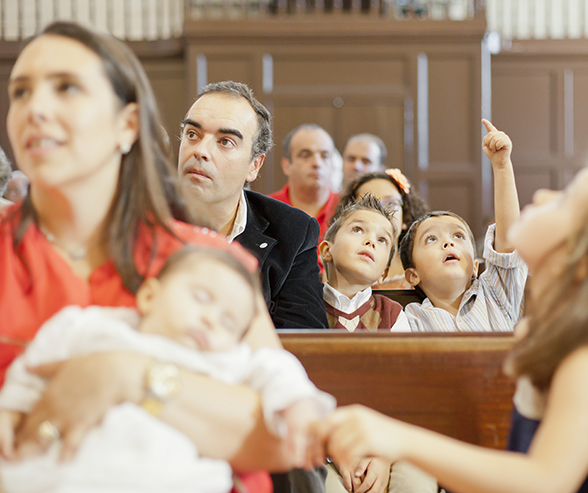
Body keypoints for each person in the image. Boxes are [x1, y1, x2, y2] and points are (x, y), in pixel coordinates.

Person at [0, 22, 321, 493]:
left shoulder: (205, 262)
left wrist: (131, 374)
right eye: (20, 92)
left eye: (66, 88)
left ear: (127, 124)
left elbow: (281, 444)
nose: (37, 109)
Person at [319, 148, 588, 493]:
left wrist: (399, 439)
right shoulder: (551, 333)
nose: (545, 195)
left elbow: (543, 480)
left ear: (583, 255)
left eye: (567, 200)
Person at [0, 248, 334, 492]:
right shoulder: (96, 328)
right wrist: (9, 411)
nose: (210, 319)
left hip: (172, 480)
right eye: (201, 298)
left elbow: (276, 369)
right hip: (62, 476)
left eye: (228, 321)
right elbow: (34, 370)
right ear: (149, 296)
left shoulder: (222, 359)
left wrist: (298, 406)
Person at [178, 81, 326, 330]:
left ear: (254, 166)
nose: (201, 151)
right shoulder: (137, 216)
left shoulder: (292, 232)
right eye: (193, 134)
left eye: (225, 141)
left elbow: (305, 341)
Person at [393, 120, 526, 332]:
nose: (448, 242)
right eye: (431, 239)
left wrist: (502, 166)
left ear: (475, 266)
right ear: (413, 275)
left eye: (458, 236)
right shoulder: (411, 320)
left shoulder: (495, 295)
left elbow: (509, 241)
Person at [319, 197, 406, 331]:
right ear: (327, 250)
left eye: (382, 240)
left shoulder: (392, 315)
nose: (371, 241)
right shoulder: (307, 305)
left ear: (384, 272)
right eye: (358, 230)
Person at [338, 170, 429, 289]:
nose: (382, 212)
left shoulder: (422, 270)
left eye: (391, 203)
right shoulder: (342, 266)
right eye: (368, 204)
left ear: (405, 218)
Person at [272, 124, 340, 239]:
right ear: (286, 165)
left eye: (325, 156)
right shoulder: (265, 209)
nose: (317, 163)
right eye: (305, 155)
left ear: (333, 165)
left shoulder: (348, 208)